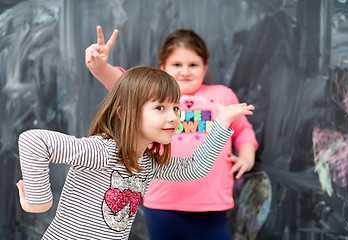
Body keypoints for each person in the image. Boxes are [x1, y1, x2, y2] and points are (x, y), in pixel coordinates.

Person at [16, 65, 255, 240]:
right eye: (160, 107)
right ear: (124, 113)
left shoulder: (146, 162)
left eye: (175, 107)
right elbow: (33, 141)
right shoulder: (103, 150)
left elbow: (194, 168)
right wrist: (40, 202)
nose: (173, 117)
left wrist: (222, 122)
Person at [85, 26, 258, 239]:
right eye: (177, 64)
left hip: (211, 205)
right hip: (161, 204)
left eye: (193, 65)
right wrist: (101, 68)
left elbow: (243, 130)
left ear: (205, 67)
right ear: (163, 67)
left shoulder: (222, 96)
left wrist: (247, 156)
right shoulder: (152, 94)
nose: (185, 71)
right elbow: (121, 84)